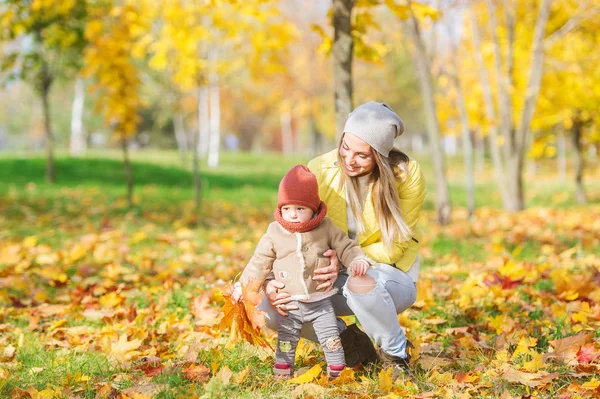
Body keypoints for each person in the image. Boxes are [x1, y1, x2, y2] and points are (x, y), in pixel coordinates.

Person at [262, 101, 427, 376]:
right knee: (272, 308)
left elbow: (394, 247)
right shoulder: (320, 169)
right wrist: (271, 281)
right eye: (345, 147)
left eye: (362, 155)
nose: (349, 160)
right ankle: (353, 346)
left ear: (380, 156)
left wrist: (345, 258)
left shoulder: (405, 177)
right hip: (332, 274)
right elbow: (294, 232)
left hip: (388, 275)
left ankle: (396, 356)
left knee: (358, 282)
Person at [232, 165, 375, 379]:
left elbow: (345, 245)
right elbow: (259, 262)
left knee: (331, 337)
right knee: (287, 339)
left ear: (313, 209)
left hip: (320, 301)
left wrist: (356, 259)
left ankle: (337, 371)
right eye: (287, 208)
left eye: (300, 209)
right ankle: (283, 370)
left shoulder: (325, 228)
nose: (293, 215)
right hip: (289, 301)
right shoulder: (275, 232)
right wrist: (243, 286)